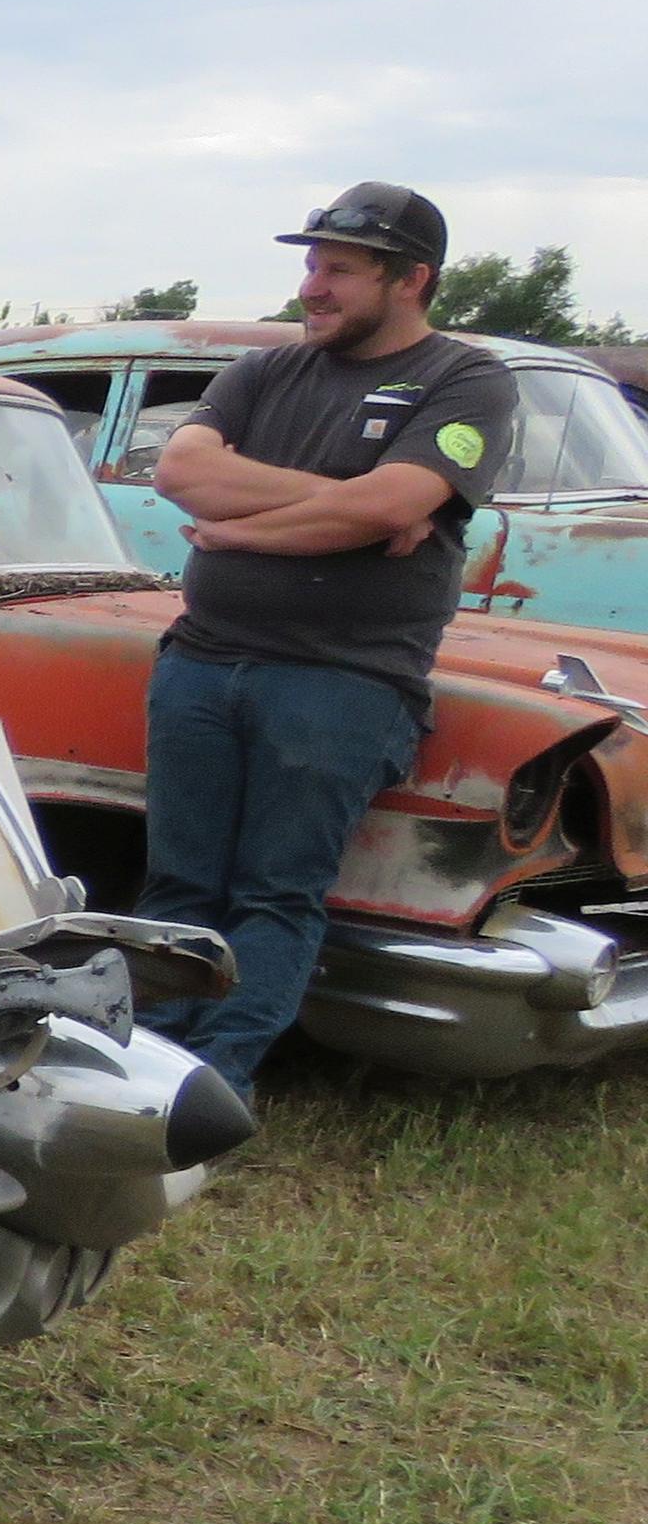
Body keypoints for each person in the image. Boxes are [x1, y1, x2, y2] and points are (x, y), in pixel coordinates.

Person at [143, 183, 516, 1094]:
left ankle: (209, 1087)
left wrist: (235, 527)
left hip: (342, 683)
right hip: (202, 662)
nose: (312, 286)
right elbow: (179, 469)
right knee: (178, 885)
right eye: (311, 264)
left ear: (411, 279)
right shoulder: (265, 371)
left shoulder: (464, 380)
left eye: (338, 270)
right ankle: (138, 1073)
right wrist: (344, 500)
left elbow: (392, 505)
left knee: (275, 891)